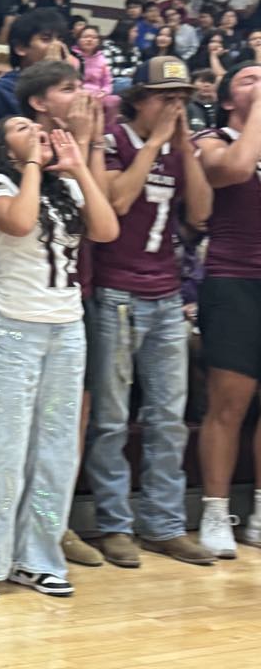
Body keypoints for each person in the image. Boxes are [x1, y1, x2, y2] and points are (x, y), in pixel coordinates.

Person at [0, 117, 118, 602]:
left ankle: (37, 557)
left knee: (57, 450)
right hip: (10, 324)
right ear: (3, 146)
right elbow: (19, 222)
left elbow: (106, 230)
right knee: (3, 448)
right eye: (24, 127)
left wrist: (78, 168)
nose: (39, 131)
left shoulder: (64, 187)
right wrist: (30, 166)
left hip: (66, 328)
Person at [85, 56, 215, 569]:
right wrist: (158, 143)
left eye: (182, 99)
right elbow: (116, 201)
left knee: (168, 418)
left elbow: (201, 213)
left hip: (165, 297)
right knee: (113, 419)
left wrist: (182, 146)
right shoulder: (114, 140)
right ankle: (115, 525)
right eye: (166, 97)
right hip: (117, 294)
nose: (175, 107)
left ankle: (163, 525)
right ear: (139, 98)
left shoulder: (181, 148)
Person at [193, 61, 261, 558]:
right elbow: (235, 170)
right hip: (234, 281)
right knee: (228, 405)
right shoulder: (211, 138)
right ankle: (216, 512)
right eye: (249, 80)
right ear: (228, 99)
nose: (260, 84)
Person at [0, 7, 68, 125]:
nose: (57, 45)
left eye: (60, 39)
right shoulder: (4, 89)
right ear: (20, 47)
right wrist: (50, 75)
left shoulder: (69, 82)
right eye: (46, 39)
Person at [102, 19, 142, 94]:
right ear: (125, 31)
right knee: (128, 84)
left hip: (132, 80)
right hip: (113, 82)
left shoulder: (134, 48)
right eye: (134, 31)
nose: (137, 35)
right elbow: (108, 70)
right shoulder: (108, 46)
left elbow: (139, 66)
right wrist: (130, 72)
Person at [72, 25, 112, 96]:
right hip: (77, 93)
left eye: (94, 37)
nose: (89, 40)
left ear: (98, 41)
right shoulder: (72, 56)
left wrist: (104, 92)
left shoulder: (101, 58)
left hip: (97, 94)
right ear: (78, 40)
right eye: (85, 37)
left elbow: (107, 82)